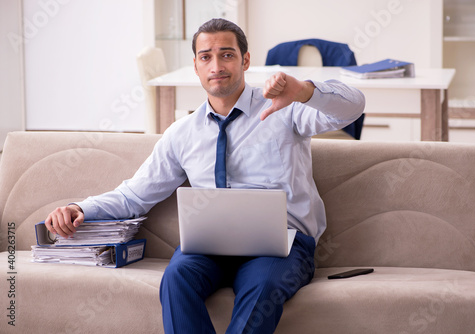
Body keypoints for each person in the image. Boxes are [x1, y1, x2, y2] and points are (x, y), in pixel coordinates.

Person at [45, 18, 365, 334]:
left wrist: (304, 91)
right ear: (196, 66)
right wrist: (81, 209)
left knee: (263, 286)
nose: (216, 66)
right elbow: (135, 195)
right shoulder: (182, 133)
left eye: (227, 54)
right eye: (206, 57)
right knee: (176, 278)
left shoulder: (283, 109)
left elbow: (353, 107)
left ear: (245, 60)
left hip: (281, 245)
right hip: (210, 245)